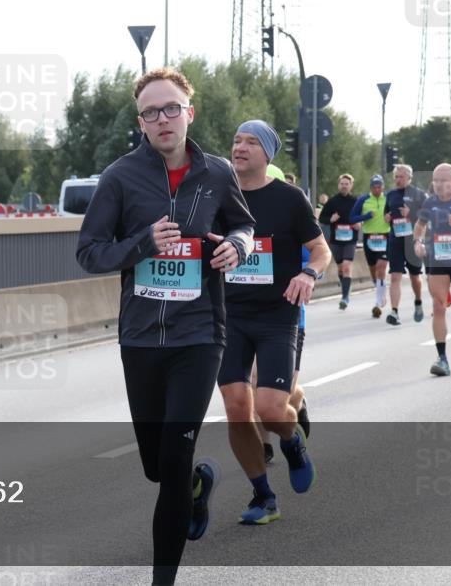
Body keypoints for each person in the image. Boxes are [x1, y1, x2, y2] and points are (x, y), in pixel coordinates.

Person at [76, 67, 255, 586]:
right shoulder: (119, 178)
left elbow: (244, 224)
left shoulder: (217, 174)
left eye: (171, 108)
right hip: (140, 337)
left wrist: (237, 246)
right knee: (157, 466)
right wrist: (142, 244)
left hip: (200, 334)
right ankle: (196, 485)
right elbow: (88, 252)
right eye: (151, 112)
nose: (162, 119)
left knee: (174, 457)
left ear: (188, 113)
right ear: (141, 122)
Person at [219, 122, 327, 526]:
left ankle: (292, 441)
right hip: (229, 318)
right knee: (236, 407)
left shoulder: (289, 198)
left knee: (269, 409)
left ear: (267, 154)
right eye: (236, 140)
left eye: (251, 142)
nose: (240, 147)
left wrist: (308, 274)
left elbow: (319, 250)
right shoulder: (217, 196)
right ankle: (263, 496)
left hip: (276, 317)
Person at [413, 163, 451, 377]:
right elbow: (419, 225)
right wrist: (418, 242)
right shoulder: (430, 202)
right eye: (435, 180)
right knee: (439, 307)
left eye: (443, 180)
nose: (438, 184)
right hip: (438, 260)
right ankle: (443, 358)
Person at [383, 164, 426, 325]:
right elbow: (386, 215)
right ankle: (394, 312)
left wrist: (412, 214)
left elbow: (426, 218)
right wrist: (386, 218)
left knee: (415, 276)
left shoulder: (419, 195)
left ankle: (418, 301)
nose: (398, 180)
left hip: (412, 241)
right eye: (396, 177)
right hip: (396, 240)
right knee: (395, 276)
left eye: (401, 176)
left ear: (409, 177)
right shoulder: (391, 194)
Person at [350, 175, 391, 318]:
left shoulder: (389, 198)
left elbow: (399, 215)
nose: (377, 189)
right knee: (373, 270)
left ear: (383, 187)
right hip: (369, 238)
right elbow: (352, 218)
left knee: (381, 267)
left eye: (379, 187)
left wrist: (391, 216)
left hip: (386, 236)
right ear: (370, 188)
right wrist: (366, 216)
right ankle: (380, 289)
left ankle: (379, 301)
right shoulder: (363, 199)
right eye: (374, 187)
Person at [318, 174, 360, 309]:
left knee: (347, 267)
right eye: (342, 183)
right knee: (341, 268)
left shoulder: (356, 201)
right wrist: (331, 219)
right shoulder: (332, 202)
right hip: (336, 239)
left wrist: (359, 223)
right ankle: (346, 287)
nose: (344, 186)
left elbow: (362, 217)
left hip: (350, 239)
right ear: (338, 185)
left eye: (346, 184)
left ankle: (345, 297)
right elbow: (322, 219)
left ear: (351, 185)